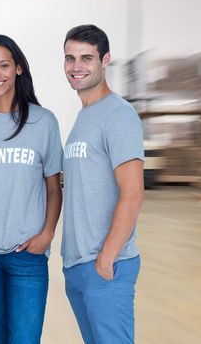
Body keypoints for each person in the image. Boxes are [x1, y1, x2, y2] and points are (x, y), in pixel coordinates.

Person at [0, 34, 63, 344]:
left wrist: (47, 234)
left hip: (27, 254)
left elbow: (54, 187)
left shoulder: (43, 122)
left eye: (3, 65)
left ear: (18, 68)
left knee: (25, 339)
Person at [61, 24, 145, 344]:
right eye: (70, 58)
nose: (76, 67)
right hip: (79, 266)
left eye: (86, 58)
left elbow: (133, 193)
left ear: (105, 60)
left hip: (106, 267)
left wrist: (106, 257)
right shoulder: (84, 116)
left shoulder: (118, 115)